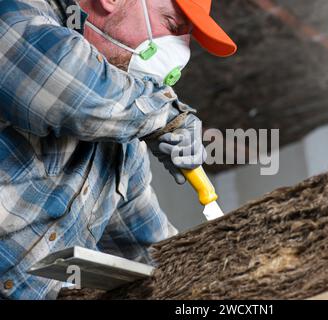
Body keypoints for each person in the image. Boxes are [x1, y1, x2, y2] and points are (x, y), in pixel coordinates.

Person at [0, 0, 236, 299]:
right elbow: (70, 91)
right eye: (173, 26)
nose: (179, 53)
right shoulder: (19, 14)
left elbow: (150, 253)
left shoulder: (123, 151)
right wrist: (168, 116)